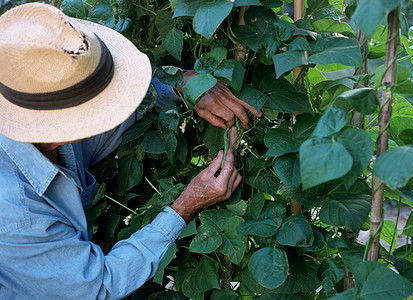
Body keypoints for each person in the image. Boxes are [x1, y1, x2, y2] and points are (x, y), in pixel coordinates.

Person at [0, 3, 260, 299]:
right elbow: (99, 286)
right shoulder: (14, 214)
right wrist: (186, 206)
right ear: (64, 128)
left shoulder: (27, 97)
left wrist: (184, 87)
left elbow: (116, 119)